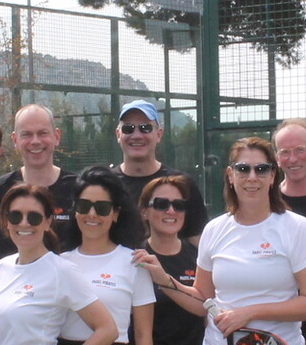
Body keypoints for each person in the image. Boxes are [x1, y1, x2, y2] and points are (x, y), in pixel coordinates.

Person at [195, 137, 306, 345]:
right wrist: (164, 280)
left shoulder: (295, 227)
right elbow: (201, 298)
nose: (252, 177)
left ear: (272, 177)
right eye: (243, 169)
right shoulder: (214, 229)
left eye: (261, 169)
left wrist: (249, 313)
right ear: (230, 175)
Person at [0, 184, 118, 345]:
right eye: (15, 216)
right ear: (6, 221)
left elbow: (108, 329)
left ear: (47, 222)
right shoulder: (2, 266)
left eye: (34, 217)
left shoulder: (61, 271)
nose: (24, 223)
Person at [58, 166, 155, 345]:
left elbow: (143, 335)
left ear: (115, 214)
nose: (92, 214)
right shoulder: (59, 263)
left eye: (102, 208)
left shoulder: (134, 262)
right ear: (75, 211)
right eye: (84, 206)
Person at [0, 105, 81, 271]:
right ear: (15, 140)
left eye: (42, 133)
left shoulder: (78, 188)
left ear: (56, 136)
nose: (35, 141)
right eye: (26, 134)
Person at [110, 100, 207, 246]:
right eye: (128, 128)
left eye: (145, 128)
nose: (136, 135)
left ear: (159, 134)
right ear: (118, 134)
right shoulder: (106, 185)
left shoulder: (182, 184)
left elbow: (198, 242)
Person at [129, 176, 208, 345]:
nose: (171, 211)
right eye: (161, 204)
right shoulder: (135, 259)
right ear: (144, 212)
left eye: (179, 205)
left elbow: (208, 309)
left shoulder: (199, 257)